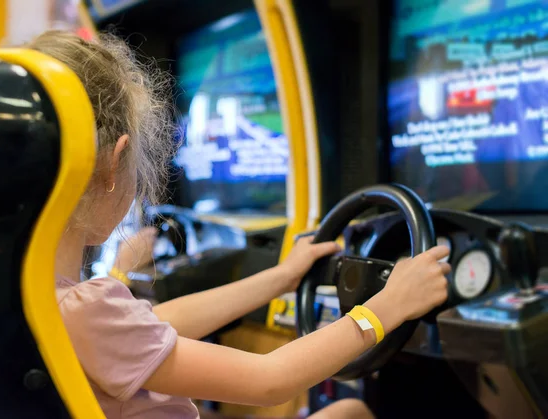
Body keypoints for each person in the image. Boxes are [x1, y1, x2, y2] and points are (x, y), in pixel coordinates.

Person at [32, 31, 451, 419]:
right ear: (111, 164)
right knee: (350, 413)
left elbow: (153, 323)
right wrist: (389, 306)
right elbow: (271, 380)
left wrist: (281, 277)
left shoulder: (38, 296)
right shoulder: (83, 310)